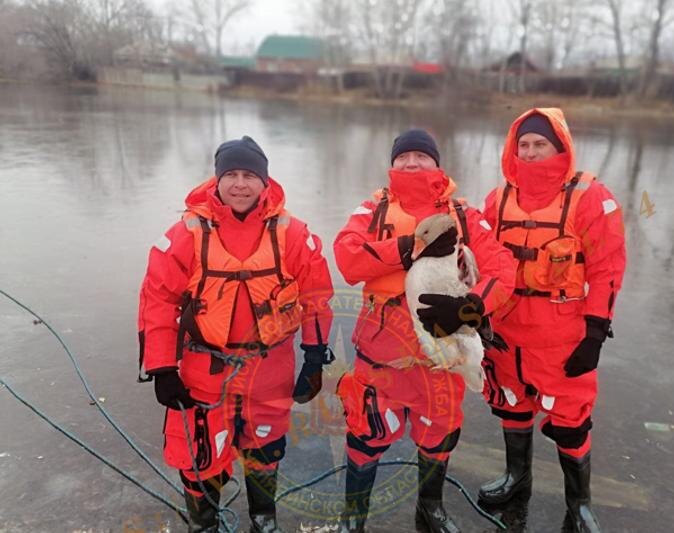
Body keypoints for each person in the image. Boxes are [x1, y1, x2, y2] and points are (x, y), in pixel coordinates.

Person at [137, 136, 334, 533]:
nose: (240, 184)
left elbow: (316, 298)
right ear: (217, 180)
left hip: (269, 369)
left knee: (265, 450)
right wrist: (161, 368)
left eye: (249, 175)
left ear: (265, 182)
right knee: (200, 454)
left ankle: (264, 519)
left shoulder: (293, 234)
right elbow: (157, 299)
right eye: (231, 175)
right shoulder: (187, 233)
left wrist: (314, 357)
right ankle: (204, 523)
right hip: (203, 370)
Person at [333, 129, 515, 533]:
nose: (412, 163)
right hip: (380, 354)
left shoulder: (465, 215)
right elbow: (347, 257)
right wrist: (410, 247)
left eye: (421, 155)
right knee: (365, 433)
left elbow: (503, 269)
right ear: (392, 164)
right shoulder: (372, 209)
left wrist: (469, 308)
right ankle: (353, 518)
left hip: (444, 354)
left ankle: (429, 509)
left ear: (437, 163)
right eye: (404, 156)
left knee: (440, 433)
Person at [479, 109, 626, 533]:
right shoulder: (498, 199)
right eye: (523, 144)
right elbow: (483, 264)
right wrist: (476, 316)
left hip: (562, 334)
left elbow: (607, 268)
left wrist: (595, 332)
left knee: (570, 419)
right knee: (510, 402)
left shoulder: (590, 198)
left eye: (540, 144)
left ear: (560, 147)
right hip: (506, 330)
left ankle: (579, 503)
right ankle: (516, 477)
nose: (530, 152)